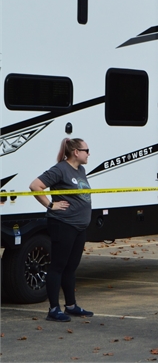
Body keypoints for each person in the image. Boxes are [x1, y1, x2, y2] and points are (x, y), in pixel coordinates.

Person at [29, 138, 94, 322]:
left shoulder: (80, 169)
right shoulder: (60, 169)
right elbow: (35, 186)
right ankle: (54, 309)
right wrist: (50, 205)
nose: (89, 153)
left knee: (71, 267)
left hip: (79, 227)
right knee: (58, 266)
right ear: (76, 152)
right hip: (63, 224)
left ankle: (71, 306)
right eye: (86, 150)